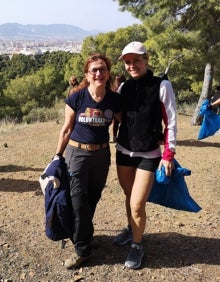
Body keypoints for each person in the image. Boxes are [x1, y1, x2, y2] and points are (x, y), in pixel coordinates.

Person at [113, 41, 177, 269]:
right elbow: (120, 116)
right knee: (128, 196)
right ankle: (131, 229)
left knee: (138, 203)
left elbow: (171, 121)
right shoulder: (124, 88)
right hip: (123, 152)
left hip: (148, 155)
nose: (132, 66)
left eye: (136, 60)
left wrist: (168, 153)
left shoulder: (162, 85)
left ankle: (137, 245)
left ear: (146, 60)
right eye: (128, 62)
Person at [54, 53, 121, 269]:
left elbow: (129, 122)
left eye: (102, 69)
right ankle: (82, 250)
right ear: (87, 74)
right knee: (78, 200)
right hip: (77, 154)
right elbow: (66, 130)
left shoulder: (114, 99)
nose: (99, 73)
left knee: (92, 198)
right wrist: (57, 156)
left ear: (108, 73)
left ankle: (82, 234)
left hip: (102, 156)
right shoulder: (77, 97)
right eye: (94, 70)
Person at [111, 74, 126, 142]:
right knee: (122, 122)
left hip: (115, 107)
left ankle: (114, 136)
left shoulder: (113, 87)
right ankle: (118, 136)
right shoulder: (123, 86)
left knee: (116, 123)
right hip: (121, 107)